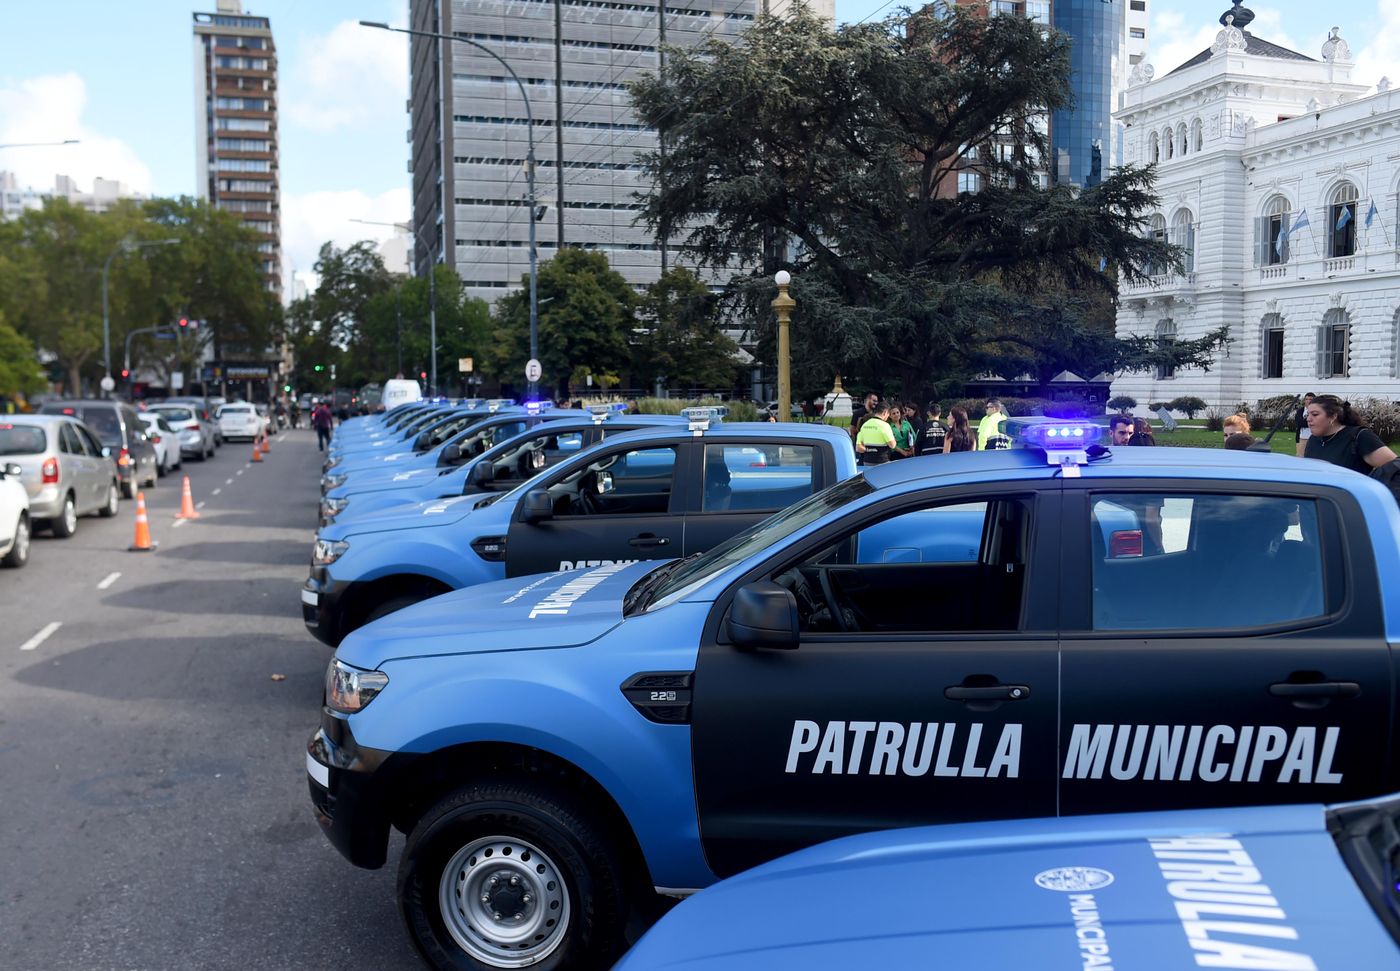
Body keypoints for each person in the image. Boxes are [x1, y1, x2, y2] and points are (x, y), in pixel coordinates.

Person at [1302, 394, 1398, 474]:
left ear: (1333, 416)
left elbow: (1395, 469)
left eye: (1315, 414)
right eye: (1308, 415)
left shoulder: (1359, 437)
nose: (1308, 419)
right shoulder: (1313, 440)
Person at [1295, 392, 1315, 458]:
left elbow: (1317, 423)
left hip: (1313, 438)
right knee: (1300, 457)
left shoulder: (1316, 411)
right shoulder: (1300, 411)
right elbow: (1299, 423)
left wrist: (1306, 422)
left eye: (1310, 399)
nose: (1308, 401)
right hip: (1302, 438)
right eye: (1307, 399)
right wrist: (1309, 422)